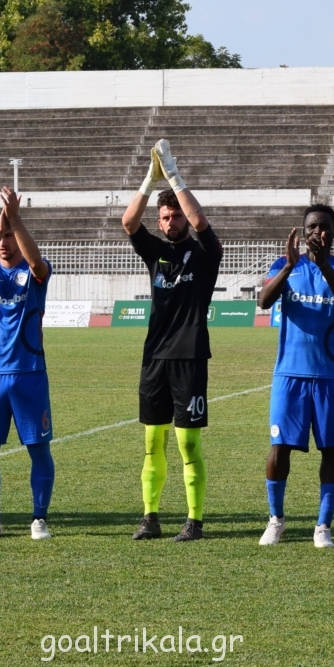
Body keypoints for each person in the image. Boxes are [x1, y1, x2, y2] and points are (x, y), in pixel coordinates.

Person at [121, 140, 223, 542]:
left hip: (190, 358)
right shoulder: (156, 253)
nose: (170, 221)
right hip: (155, 359)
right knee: (152, 442)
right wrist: (150, 180)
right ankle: (150, 517)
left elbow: (200, 221)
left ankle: (194, 522)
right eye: (164, 217)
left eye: (175, 214)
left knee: (188, 444)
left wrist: (175, 177)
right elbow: (129, 222)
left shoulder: (206, 254)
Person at [256, 205, 334, 548]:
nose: (319, 232)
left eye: (325, 226)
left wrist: (324, 264)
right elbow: (263, 301)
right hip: (289, 374)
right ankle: (276, 520)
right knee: (279, 447)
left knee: (331, 449)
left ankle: (323, 526)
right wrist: (289, 265)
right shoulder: (285, 264)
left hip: (330, 376)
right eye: (313, 227)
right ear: (303, 233)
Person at [0, 187, 56, 541]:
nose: (4, 242)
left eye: (8, 236)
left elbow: (37, 264)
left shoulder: (34, 272)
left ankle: (39, 519)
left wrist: (15, 221)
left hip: (29, 375)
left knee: (39, 450)